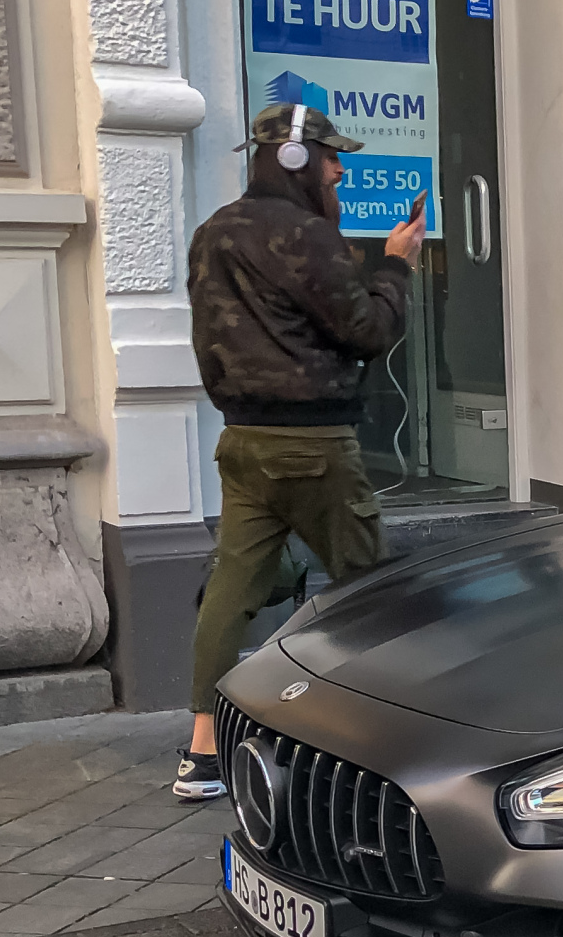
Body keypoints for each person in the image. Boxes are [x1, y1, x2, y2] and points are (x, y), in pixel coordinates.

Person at [173, 102, 423, 801]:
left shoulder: (211, 232)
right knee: (371, 585)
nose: (340, 172)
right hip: (313, 441)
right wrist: (397, 266)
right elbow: (367, 329)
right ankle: (377, 744)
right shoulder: (307, 235)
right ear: (296, 159)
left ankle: (202, 754)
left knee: (232, 585)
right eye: (332, 160)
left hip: (242, 438)